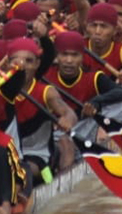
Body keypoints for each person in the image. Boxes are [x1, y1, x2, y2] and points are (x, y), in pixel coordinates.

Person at [5, 37, 78, 183]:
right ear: (7, 64)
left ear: (37, 64)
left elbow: (69, 113)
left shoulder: (46, 92)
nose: (22, 66)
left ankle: (60, 181)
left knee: (65, 142)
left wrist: (67, 119)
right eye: (16, 61)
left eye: (29, 61)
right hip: (7, 154)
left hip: (37, 156)